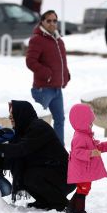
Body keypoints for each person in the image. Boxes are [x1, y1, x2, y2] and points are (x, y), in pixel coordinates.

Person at [0, 100, 76, 211]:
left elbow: (21, 149)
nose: (10, 118)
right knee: (23, 173)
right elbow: (9, 161)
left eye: (12, 115)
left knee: (30, 176)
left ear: (22, 113)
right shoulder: (21, 133)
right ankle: (45, 201)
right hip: (48, 172)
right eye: (10, 115)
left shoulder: (39, 127)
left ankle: (60, 202)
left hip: (64, 176)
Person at [26, 10, 70, 146]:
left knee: (60, 120)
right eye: (48, 21)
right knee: (40, 122)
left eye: (54, 21)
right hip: (43, 89)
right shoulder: (37, 40)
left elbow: (62, 61)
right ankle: (37, 151)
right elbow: (30, 61)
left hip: (57, 89)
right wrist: (47, 74)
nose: (52, 23)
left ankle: (59, 150)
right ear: (42, 22)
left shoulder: (59, 41)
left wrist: (66, 75)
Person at [66, 104, 107, 213]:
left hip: (85, 169)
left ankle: (71, 207)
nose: (92, 125)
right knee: (83, 190)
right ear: (81, 122)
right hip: (81, 170)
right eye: (90, 123)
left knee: (83, 189)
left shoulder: (86, 135)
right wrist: (90, 153)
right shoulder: (79, 137)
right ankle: (79, 211)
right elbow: (76, 152)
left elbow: (95, 147)